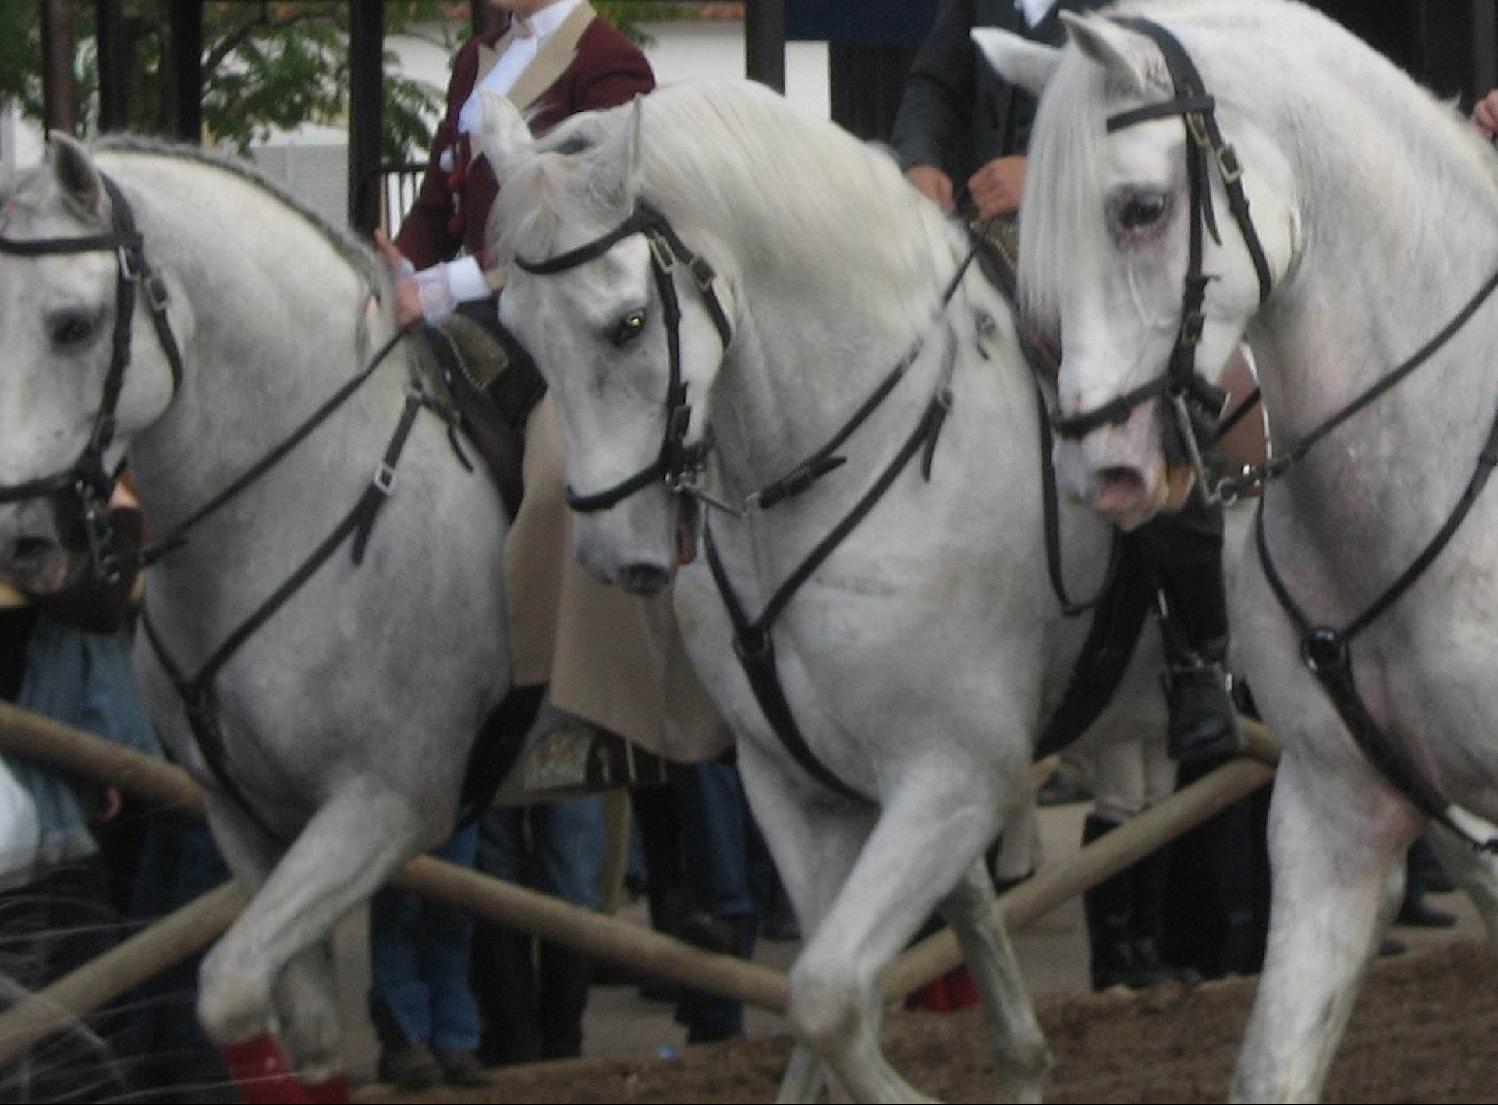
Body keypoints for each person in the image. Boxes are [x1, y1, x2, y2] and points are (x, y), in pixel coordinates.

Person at [890, 0, 1240, 766]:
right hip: (979, 250)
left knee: (1150, 401)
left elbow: (1165, 132)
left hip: (1104, 250)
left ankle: (1198, 651)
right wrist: (919, 161)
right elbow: (933, 90)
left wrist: (1043, 174)